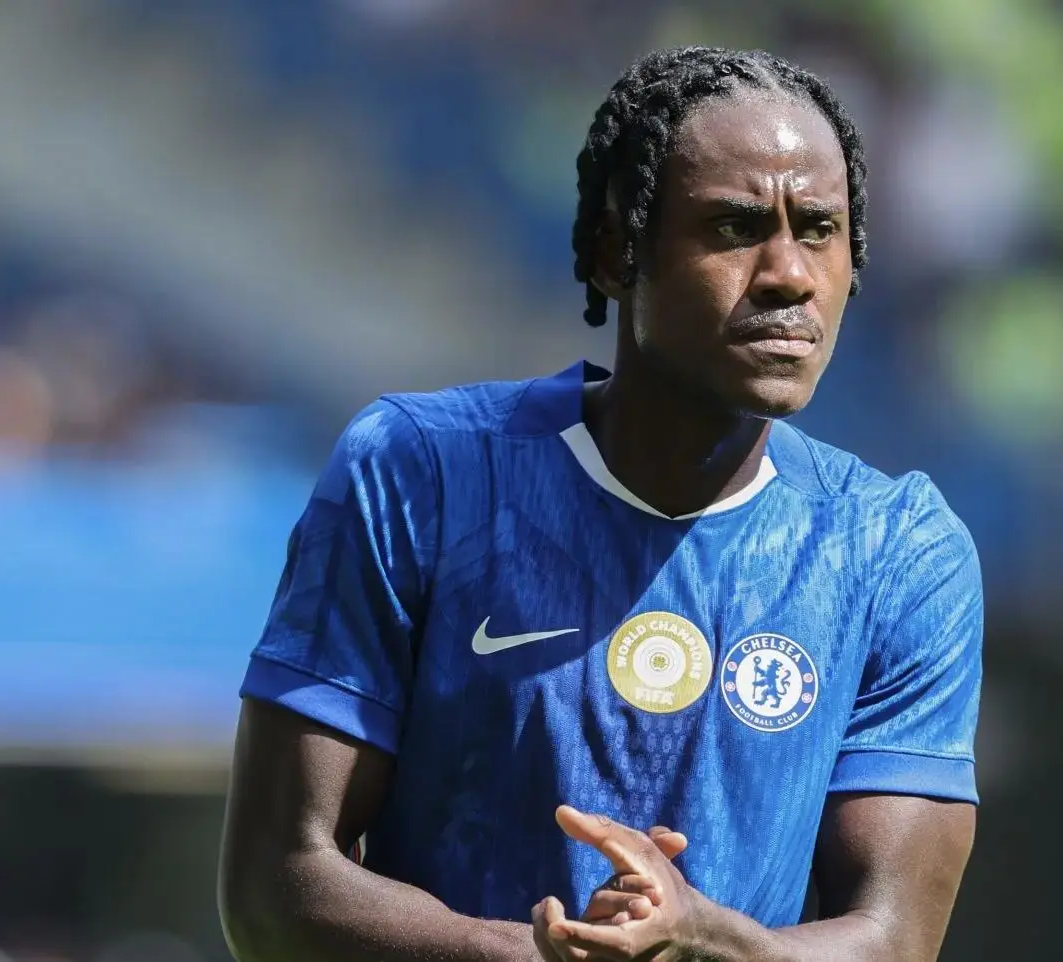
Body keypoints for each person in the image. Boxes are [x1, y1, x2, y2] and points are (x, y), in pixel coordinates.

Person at [218, 45, 983, 962]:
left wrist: (702, 938)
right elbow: (276, 888)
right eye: (736, 227)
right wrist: (544, 954)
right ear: (614, 253)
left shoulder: (896, 551)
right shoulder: (419, 474)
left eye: (819, 229)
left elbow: (897, 940)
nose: (789, 274)